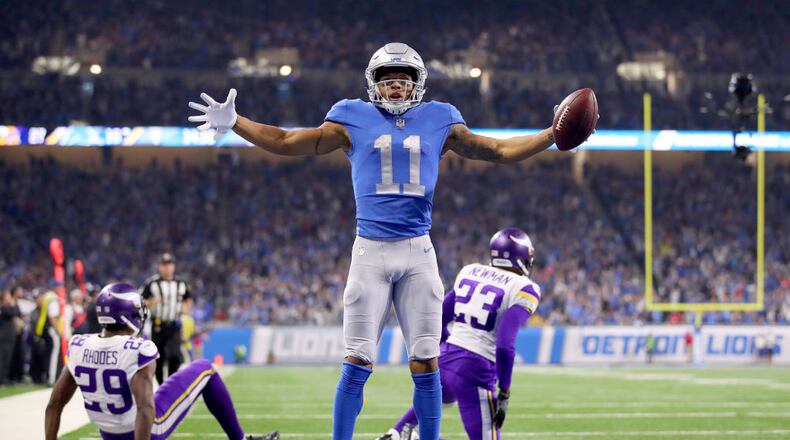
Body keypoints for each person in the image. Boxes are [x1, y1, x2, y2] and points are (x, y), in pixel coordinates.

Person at [189, 42, 572, 440]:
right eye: (387, 80)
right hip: (370, 250)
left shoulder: (441, 118)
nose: (395, 88)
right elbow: (287, 142)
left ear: (417, 85)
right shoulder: (350, 116)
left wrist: (551, 134)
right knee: (356, 361)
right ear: (374, 85)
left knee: (426, 362)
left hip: (418, 250)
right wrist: (237, 122)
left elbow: (496, 149)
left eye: (403, 81)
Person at [44, 282, 278, 440]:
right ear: (126, 314)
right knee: (205, 368)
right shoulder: (138, 349)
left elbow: (55, 404)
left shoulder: (78, 345)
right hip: (145, 430)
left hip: (108, 432)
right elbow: (146, 408)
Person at [377, 228, 541, 440]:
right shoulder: (524, 288)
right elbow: (504, 343)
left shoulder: (471, 272)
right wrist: (505, 391)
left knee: (441, 398)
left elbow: (440, 317)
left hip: (445, 359)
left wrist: (448, 351)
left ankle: (397, 433)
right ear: (521, 258)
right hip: (477, 368)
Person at [140, 253, 192, 384]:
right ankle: (161, 383)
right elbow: (139, 302)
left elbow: (188, 298)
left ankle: (170, 382)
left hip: (174, 324)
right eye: (164, 264)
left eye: (169, 264)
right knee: (158, 357)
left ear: (173, 266)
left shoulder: (181, 283)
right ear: (159, 267)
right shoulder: (152, 283)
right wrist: (151, 302)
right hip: (158, 325)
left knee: (175, 356)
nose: (167, 267)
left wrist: (186, 309)